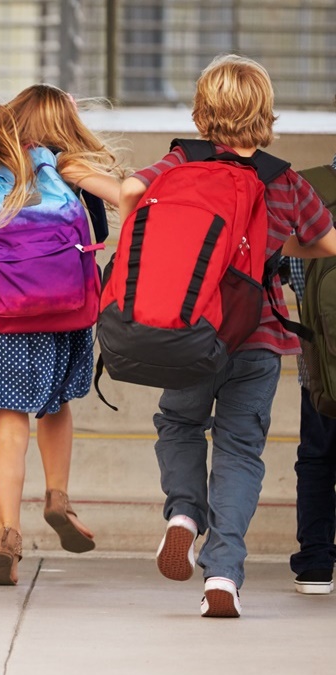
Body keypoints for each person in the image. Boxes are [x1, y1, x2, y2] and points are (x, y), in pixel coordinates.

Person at [120, 54, 336, 617]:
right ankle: (223, 578)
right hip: (259, 339)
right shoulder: (283, 180)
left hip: (191, 333)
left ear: (202, 109)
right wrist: (281, 247)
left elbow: (127, 192)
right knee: (240, 452)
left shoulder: (178, 162)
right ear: (264, 111)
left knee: (180, 423)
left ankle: (184, 514)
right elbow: (327, 243)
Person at [0, 84, 123, 586]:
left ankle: (6, 535)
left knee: (9, 429)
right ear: (64, 125)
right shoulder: (69, 168)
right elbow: (125, 198)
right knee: (56, 405)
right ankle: (58, 498)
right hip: (63, 306)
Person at [286, 153, 336, 595]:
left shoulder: (305, 189)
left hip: (321, 363)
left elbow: (281, 268)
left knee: (318, 456)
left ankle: (316, 565)